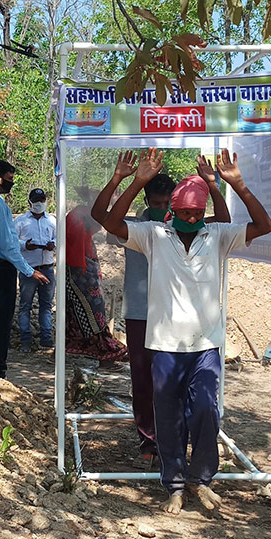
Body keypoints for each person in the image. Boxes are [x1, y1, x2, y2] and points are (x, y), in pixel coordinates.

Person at [101, 147, 271, 515]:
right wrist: (134, 182)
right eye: (185, 212)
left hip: (206, 345)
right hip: (164, 344)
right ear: (172, 211)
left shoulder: (216, 236)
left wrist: (235, 185)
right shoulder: (155, 235)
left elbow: (264, 226)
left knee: (206, 414)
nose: (193, 217)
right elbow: (110, 222)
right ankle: (175, 486)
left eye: (198, 211)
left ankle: (203, 481)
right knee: (168, 418)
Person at [91, 151, 230, 470]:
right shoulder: (138, 228)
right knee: (143, 380)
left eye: (168, 204)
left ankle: (179, 443)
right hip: (142, 313)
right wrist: (120, 179)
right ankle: (149, 441)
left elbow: (222, 224)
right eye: (157, 204)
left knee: (180, 385)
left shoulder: (189, 227)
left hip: (181, 322)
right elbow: (101, 214)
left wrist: (213, 185)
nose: (163, 210)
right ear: (147, 200)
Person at [0, 160, 49, 378]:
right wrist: (29, 270)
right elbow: (7, 245)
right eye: (9, 179)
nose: (10, 184)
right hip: (1, 268)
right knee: (2, 320)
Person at [66, 185, 128, 369]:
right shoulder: (82, 214)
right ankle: (105, 354)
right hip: (78, 268)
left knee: (81, 310)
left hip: (84, 264)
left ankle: (92, 350)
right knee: (94, 311)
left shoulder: (83, 213)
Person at [14, 188, 57, 352]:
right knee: (25, 305)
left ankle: (46, 338)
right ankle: (25, 340)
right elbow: (11, 242)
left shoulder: (52, 221)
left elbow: (60, 238)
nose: (39, 204)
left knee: (46, 305)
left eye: (41, 200)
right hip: (28, 271)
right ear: (29, 202)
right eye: (36, 200)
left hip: (47, 269)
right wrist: (25, 245)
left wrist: (53, 244)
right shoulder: (20, 222)